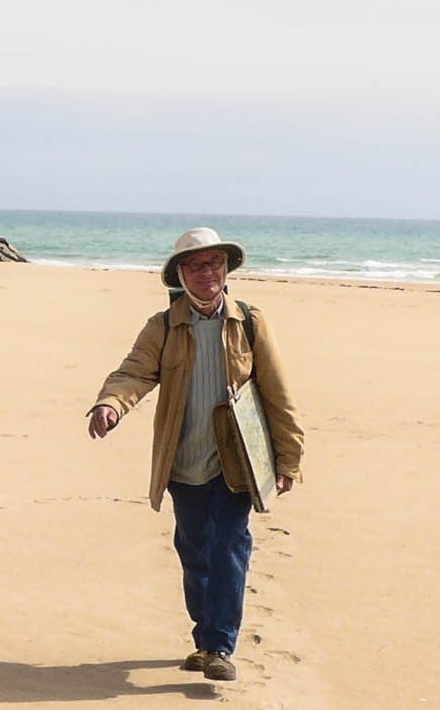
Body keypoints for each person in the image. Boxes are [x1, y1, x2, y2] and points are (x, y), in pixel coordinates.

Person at [87, 227, 304, 682]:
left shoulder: (249, 322)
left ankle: (219, 645)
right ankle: (205, 638)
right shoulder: (163, 326)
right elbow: (133, 373)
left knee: (229, 545)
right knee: (194, 553)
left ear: (225, 270)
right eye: (197, 265)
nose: (208, 273)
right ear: (180, 275)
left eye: (214, 264)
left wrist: (289, 458)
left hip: (237, 462)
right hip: (183, 461)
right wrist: (110, 404)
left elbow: (277, 393)